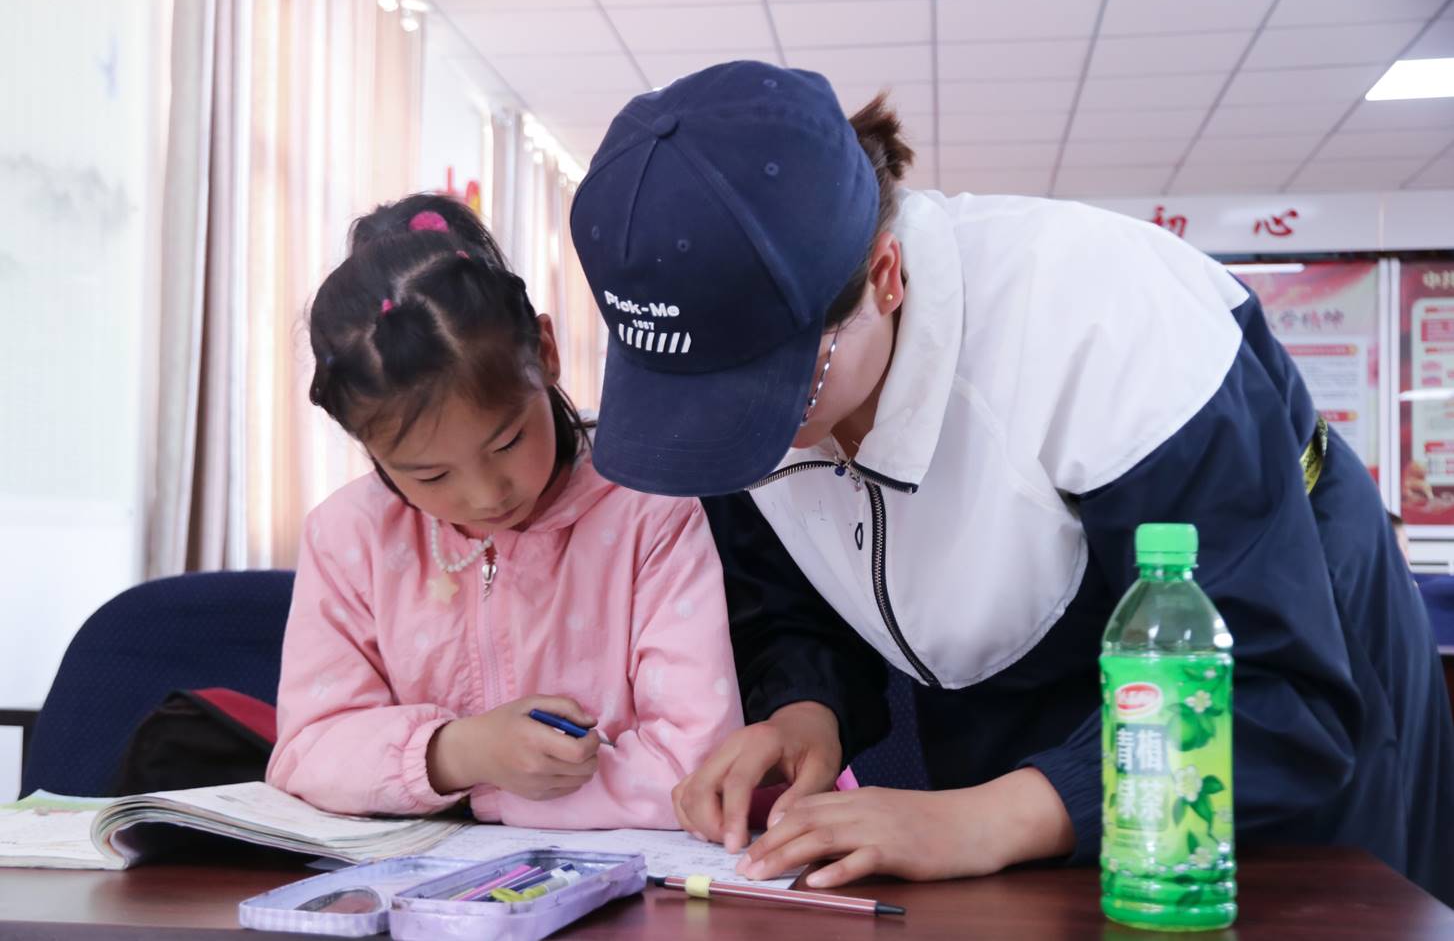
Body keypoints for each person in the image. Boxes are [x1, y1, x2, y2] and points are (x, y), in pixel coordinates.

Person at [567, 61, 1454, 903]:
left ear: (885, 277)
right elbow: (788, 590)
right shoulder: (738, 368)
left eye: (770, 393)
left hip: (1262, 631)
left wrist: (983, 818)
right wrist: (806, 709)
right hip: (1014, 680)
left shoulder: (1106, 326)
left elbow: (1268, 695)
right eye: (701, 405)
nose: (740, 439)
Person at [266, 194, 743, 829]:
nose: (486, 494)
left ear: (545, 352)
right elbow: (305, 753)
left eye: (508, 441)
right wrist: (457, 753)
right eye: (431, 475)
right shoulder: (348, 536)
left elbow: (697, 765)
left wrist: (486, 794)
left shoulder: (649, 509)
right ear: (368, 448)